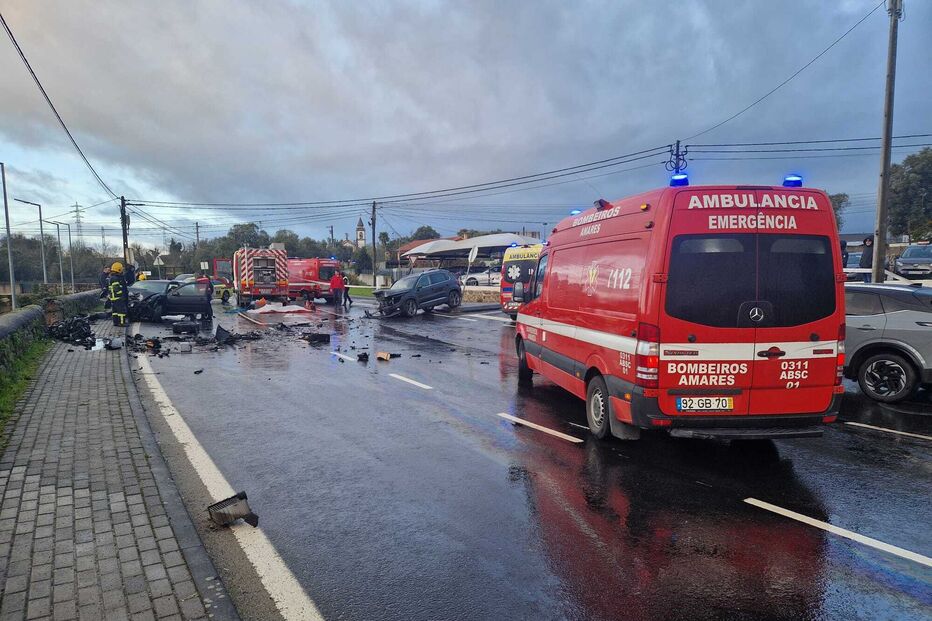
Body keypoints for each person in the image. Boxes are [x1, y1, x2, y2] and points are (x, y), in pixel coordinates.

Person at [108, 262, 129, 327]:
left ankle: (116, 322)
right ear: (118, 269)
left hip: (113, 298)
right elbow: (116, 288)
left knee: (115, 311)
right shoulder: (115, 278)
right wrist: (121, 295)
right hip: (118, 298)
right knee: (121, 311)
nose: (122, 270)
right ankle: (122, 323)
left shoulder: (112, 277)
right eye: (121, 269)